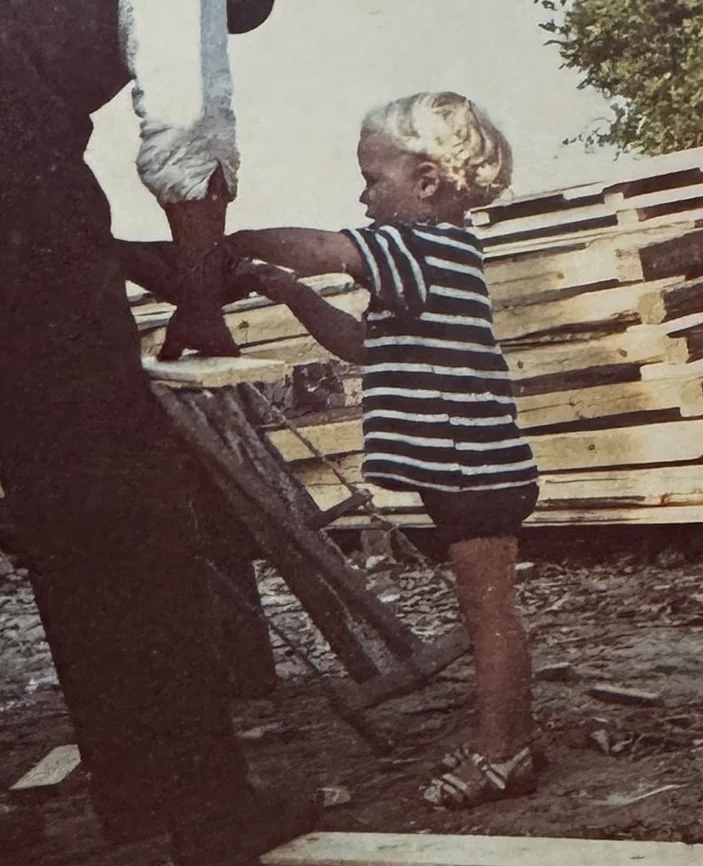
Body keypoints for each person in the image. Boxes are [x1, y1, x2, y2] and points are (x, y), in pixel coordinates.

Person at [0, 0, 313, 866]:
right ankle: (196, 813)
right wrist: (201, 294)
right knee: (107, 498)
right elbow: (185, 120)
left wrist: (105, 255)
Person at [228, 91, 543, 808]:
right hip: (469, 466)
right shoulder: (429, 262)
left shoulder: (419, 247)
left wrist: (233, 240)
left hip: (473, 469)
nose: (363, 196)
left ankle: (504, 753)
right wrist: (290, 295)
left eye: (372, 179)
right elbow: (363, 346)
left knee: (488, 617)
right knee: (488, 613)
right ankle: (514, 735)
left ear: (426, 181)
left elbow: (327, 249)